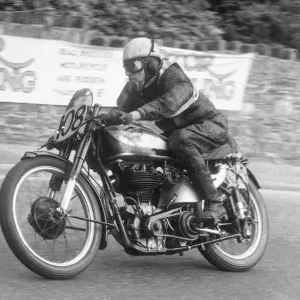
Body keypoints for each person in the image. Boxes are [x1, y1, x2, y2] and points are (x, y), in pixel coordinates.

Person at [104, 37, 228, 222]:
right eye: (127, 68)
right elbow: (120, 109)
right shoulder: (137, 88)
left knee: (181, 139)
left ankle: (215, 203)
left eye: (133, 67)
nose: (129, 74)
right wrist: (101, 116)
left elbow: (166, 105)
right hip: (177, 134)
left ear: (150, 65)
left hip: (210, 125)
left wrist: (133, 115)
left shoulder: (173, 77)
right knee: (150, 151)